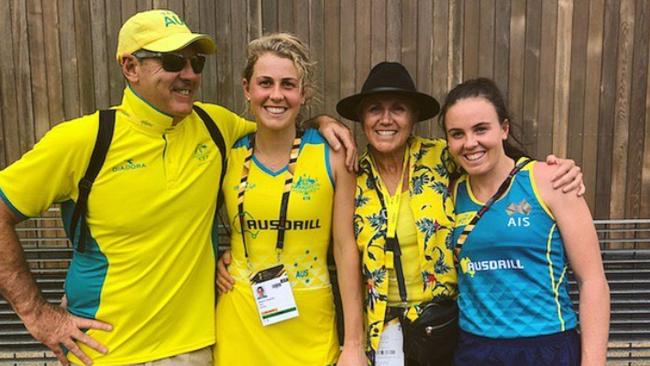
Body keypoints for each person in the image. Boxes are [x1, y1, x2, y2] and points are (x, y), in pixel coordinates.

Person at [0, 10, 355, 366]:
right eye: (172, 61)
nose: (188, 74)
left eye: (195, 63)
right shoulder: (84, 140)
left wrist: (320, 122)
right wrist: (38, 315)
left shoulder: (215, 127)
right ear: (130, 67)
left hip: (195, 350)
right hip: (107, 353)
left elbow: (277, 122)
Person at [334, 62, 585, 366]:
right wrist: (319, 122)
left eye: (398, 108)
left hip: (445, 326)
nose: (386, 119)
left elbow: (494, 161)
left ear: (413, 117)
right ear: (361, 118)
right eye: (374, 109)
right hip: (380, 328)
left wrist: (557, 171)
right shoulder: (350, 173)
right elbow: (344, 250)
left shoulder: (442, 157)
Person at [213, 33, 366, 366]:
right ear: (246, 88)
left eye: (288, 85)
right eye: (265, 83)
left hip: (310, 326)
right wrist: (214, 257)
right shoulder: (227, 154)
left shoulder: (333, 154)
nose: (276, 95)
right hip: (239, 322)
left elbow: (344, 249)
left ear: (303, 92)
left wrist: (353, 342)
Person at [441, 78, 610, 366]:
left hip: (546, 348)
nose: (470, 143)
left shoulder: (551, 181)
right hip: (475, 350)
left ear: (504, 129)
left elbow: (592, 281)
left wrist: (594, 361)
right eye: (457, 134)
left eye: (481, 129)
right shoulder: (448, 194)